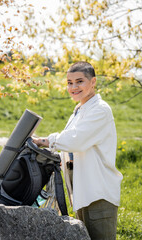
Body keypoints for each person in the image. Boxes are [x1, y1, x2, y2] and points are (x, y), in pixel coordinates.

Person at [33, 61, 123, 240]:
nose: (73, 87)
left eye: (79, 81)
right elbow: (70, 146)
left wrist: (44, 141)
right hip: (82, 194)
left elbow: (76, 140)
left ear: (93, 81)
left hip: (98, 195)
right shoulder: (79, 111)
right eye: (69, 82)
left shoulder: (100, 110)